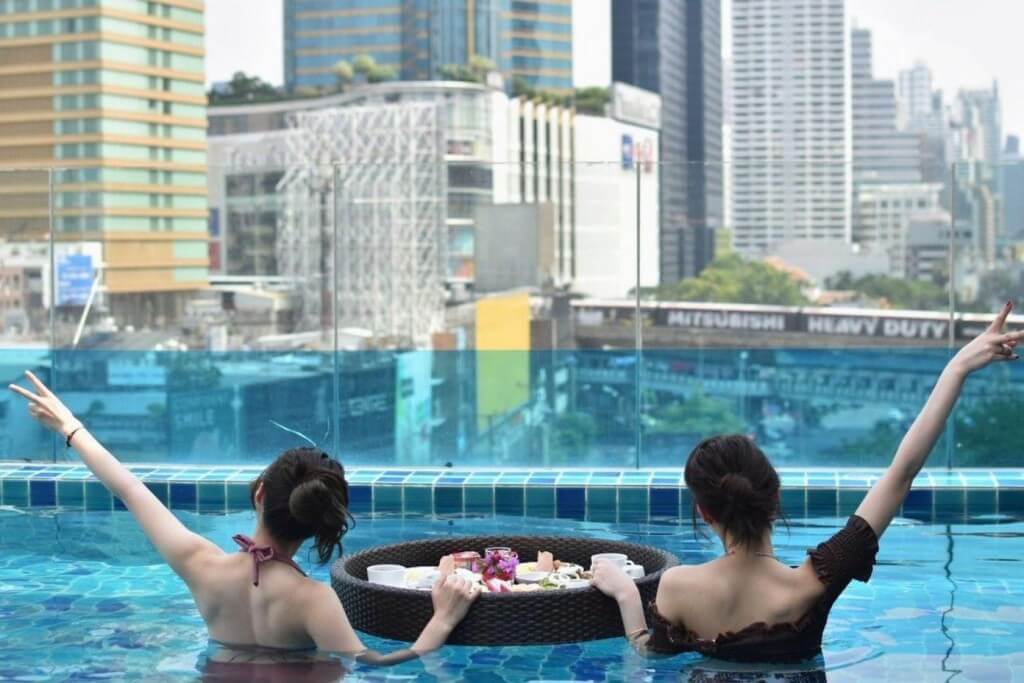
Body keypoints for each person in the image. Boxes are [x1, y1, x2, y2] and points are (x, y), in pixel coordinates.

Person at [592, 302, 1023, 663]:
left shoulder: (677, 587)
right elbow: (902, 472)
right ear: (773, 493)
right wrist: (959, 366)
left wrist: (628, 595)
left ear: (704, 513)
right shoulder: (813, 583)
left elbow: (648, 653)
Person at [9, 371, 479, 672]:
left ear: (259, 495)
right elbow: (377, 664)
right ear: (321, 525)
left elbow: (130, 489)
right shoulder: (314, 601)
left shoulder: (200, 566)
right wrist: (442, 619)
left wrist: (71, 426)